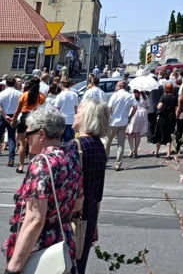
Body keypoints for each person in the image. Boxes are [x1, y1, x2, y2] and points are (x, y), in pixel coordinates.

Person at [2, 105, 83, 274]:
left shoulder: (41, 163)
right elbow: (77, 204)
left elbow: (35, 219)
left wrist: (14, 267)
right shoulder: (72, 158)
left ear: (41, 134)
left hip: (40, 246)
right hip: (63, 241)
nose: (25, 138)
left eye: (29, 134)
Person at [68, 98, 109, 274]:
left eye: (78, 111)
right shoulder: (100, 146)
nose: (75, 113)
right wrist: (95, 223)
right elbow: (97, 192)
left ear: (86, 117)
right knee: (79, 265)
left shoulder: (73, 147)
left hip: (71, 218)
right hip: (89, 216)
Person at [11, 77, 46, 174]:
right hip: (35, 119)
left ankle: (21, 166)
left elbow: (17, 110)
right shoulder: (41, 97)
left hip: (24, 118)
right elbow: (42, 110)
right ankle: (32, 166)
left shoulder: (24, 95)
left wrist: (13, 120)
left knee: (22, 143)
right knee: (33, 144)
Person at [106, 80, 137, 171]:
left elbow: (110, 108)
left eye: (116, 86)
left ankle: (105, 161)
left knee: (108, 143)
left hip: (113, 122)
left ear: (119, 86)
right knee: (120, 144)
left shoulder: (115, 95)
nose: (115, 87)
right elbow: (135, 107)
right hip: (123, 122)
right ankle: (118, 164)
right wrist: (130, 117)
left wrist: (108, 118)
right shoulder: (129, 96)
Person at [0, 76, 21, 167]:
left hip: (3, 115)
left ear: (7, 84)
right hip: (14, 115)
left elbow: (0, 107)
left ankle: (11, 158)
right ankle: (11, 158)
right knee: (11, 137)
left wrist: (4, 115)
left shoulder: (2, 93)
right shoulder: (19, 93)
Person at [154, 81, 178, 160]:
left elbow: (159, 107)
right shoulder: (175, 98)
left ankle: (157, 152)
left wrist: (157, 105)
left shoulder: (163, 97)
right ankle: (168, 154)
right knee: (169, 135)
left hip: (163, 117)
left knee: (159, 134)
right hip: (171, 117)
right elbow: (176, 109)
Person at [54, 78, 79, 142]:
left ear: (62, 85)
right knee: (69, 141)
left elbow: (56, 109)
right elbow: (76, 109)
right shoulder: (75, 95)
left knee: (58, 141)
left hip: (61, 120)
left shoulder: (59, 96)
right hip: (71, 120)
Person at [126, 90, 148, 158]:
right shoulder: (145, 96)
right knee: (138, 133)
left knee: (130, 132)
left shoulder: (131, 96)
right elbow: (148, 106)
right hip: (143, 114)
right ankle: (135, 150)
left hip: (134, 114)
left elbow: (128, 105)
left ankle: (131, 149)